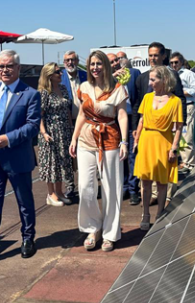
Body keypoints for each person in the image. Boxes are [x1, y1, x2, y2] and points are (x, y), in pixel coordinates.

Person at [0, 50, 40, 262]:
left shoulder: (30, 94)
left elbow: (32, 127)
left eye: (9, 66)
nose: (5, 70)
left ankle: (28, 238)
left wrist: (8, 139)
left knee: (24, 201)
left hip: (17, 158)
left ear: (18, 68)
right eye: (1, 66)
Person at [69, 50, 129, 252]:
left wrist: (124, 141)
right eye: (92, 64)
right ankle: (93, 228)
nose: (95, 67)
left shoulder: (117, 88)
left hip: (110, 139)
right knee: (86, 186)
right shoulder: (84, 87)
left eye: (98, 64)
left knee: (111, 188)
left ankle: (110, 233)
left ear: (105, 65)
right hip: (86, 140)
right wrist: (74, 137)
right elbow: (81, 115)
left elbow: (122, 115)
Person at [131, 42, 186, 206]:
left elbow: (180, 99)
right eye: (150, 55)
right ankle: (151, 198)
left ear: (163, 56)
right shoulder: (142, 77)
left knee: (165, 170)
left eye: (156, 55)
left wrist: (180, 126)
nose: (152, 58)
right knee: (148, 170)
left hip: (166, 132)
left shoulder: (172, 76)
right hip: (147, 132)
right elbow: (137, 103)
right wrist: (136, 128)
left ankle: (166, 198)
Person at [133, 66, 184, 230]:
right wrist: (136, 139)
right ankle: (145, 214)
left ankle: (160, 213)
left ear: (164, 80)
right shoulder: (147, 97)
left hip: (164, 142)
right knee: (145, 181)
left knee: (162, 182)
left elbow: (178, 126)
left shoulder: (175, 101)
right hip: (146, 141)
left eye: (153, 79)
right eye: (150, 79)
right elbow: (141, 119)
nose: (150, 83)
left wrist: (174, 147)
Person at [37, 62, 75, 206]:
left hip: (64, 130)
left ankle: (59, 191)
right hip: (51, 130)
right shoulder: (44, 92)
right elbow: (39, 115)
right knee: (51, 163)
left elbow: (67, 110)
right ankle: (51, 193)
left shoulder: (64, 89)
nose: (61, 74)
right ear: (50, 75)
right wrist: (44, 132)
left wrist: (71, 129)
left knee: (62, 162)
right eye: (58, 72)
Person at [61, 51, 88, 200]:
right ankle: (70, 186)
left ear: (77, 61)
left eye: (72, 60)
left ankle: (85, 185)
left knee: (85, 153)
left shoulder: (85, 76)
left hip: (85, 123)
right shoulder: (59, 77)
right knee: (67, 155)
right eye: (67, 60)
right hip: (67, 123)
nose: (70, 63)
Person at [117, 51, 143, 205]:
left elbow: (138, 99)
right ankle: (124, 187)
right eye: (118, 58)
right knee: (120, 157)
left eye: (122, 57)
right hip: (116, 123)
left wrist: (136, 123)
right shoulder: (111, 77)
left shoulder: (135, 73)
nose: (121, 61)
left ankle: (134, 189)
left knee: (132, 155)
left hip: (131, 120)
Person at [169, 52, 195, 173]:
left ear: (181, 62)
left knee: (187, 134)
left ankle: (189, 163)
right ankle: (182, 160)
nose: (174, 65)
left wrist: (180, 92)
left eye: (176, 62)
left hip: (187, 105)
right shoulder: (170, 74)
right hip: (174, 107)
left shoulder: (189, 74)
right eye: (171, 63)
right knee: (177, 135)